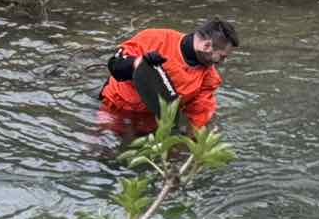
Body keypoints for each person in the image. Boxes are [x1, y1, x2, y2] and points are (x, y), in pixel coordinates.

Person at [99, 18, 240, 133]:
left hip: (152, 121)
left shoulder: (209, 78)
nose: (222, 62)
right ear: (206, 46)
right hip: (114, 108)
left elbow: (198, 116)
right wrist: (138, 63)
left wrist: (192, 140)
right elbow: (115, 65)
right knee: (101, 148)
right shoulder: (154, 38)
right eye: (222, 56)